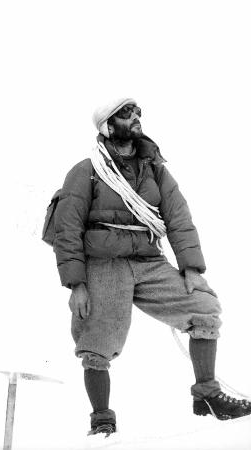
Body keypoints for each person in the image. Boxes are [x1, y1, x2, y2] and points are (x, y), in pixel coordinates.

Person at [47, 98, 251, 436]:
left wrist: (191, 268)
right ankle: (101, 420)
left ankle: (208, 396)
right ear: (108, 127)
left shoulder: (153, 167)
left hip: (148, 259)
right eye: (125, 113)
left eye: (137, 110)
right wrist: (76, 284)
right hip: (104, 263)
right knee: (97, 341)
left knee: (204, 309)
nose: (135, 116)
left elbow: (178, 216)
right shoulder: (86, 171)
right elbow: (67, 230)